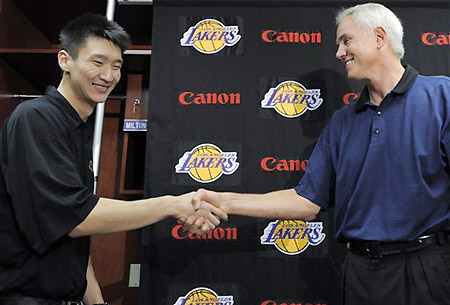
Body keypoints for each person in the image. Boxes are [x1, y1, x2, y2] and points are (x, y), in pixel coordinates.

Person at [185, 3, 450, 305]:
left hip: (424, 271)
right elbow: (306, 201)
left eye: (346, 40)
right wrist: (224, 200)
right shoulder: (342, 121)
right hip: (359, 273)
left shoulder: (442, 98)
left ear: (379, 37)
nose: (339, 52)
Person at [0, 14, 226, 305]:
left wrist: (98, 302)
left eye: (116, 65)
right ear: (65, 60)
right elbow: (76, 218)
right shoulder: (36, 119)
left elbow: (72, 241)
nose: (108, 75)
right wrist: (172, 204)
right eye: (97, 62)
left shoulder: (76, 128)